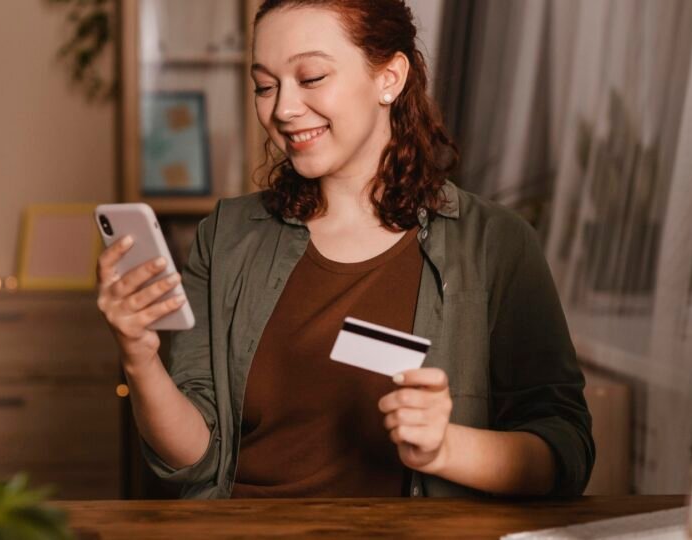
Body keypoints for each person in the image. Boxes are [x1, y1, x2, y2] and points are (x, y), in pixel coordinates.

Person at [96, 0, 593, 499]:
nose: (283, 109)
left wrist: (446, 449)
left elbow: (566, 453)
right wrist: (140, 358)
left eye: (311, 78)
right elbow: (194, 459)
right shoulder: (227, 236)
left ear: (390, 78)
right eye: (265, 86)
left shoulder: (494, 245)